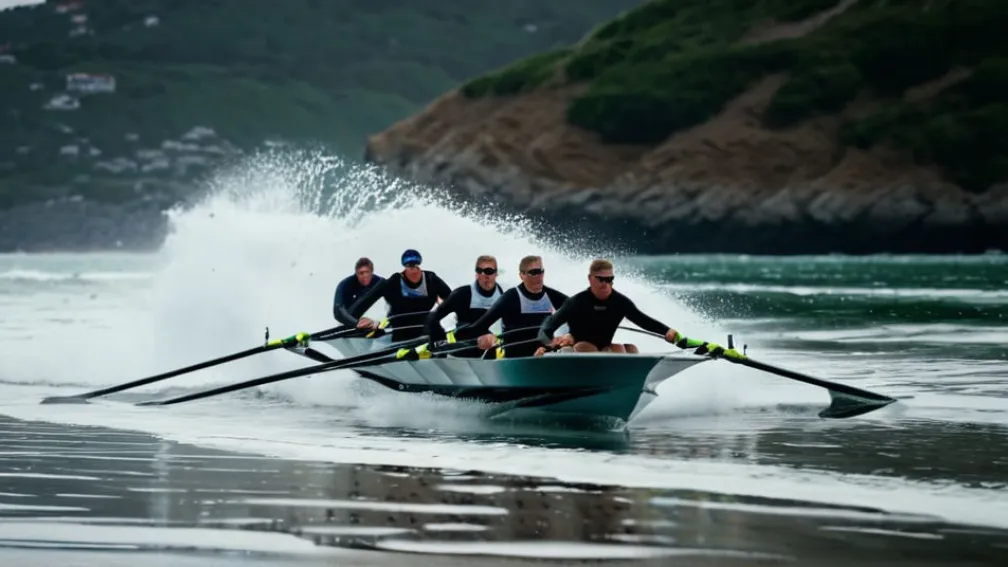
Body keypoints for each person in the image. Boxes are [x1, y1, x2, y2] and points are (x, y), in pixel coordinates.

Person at [537, 258, 679, 354]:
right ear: (590, 279)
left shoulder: (620, 302)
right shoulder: (576, 302)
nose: (605, 284)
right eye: (601, 279)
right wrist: (548, 342)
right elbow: (548, 326)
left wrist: (667, 331)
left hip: (604, 349)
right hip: (578, 349)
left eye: (609, 279)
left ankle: (624, 383)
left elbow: (643, 320)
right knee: (585, 347)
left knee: (630, 349)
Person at [453, 255, 569, 358]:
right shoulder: (511, 298)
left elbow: (577, 312)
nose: (539, 277)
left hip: (545, 353)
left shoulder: (551, 295)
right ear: (522, 275)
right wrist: (486, 337)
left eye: (541, 272)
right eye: (533, 273)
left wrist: (570, 335)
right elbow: (478, 327)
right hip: (516, 358)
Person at [340, 248, 452, 342]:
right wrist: (362, 322)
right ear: (405, 268)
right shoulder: (393, 282)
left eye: (416, 266)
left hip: (425, 328)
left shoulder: (431, 280)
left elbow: (453, 300)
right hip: (399, 330)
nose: (414, 271)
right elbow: (361, 305)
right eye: (410, 266)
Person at [423, 255, 504, 357]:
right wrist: (439, 341)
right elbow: (433, 317)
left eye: (488, 271)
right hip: (463, 343)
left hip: (487, 343)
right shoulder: (462, 294)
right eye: (479, 271)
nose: (484, 275)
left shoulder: (500, 294)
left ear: (496, 274)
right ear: (476, 274)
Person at [332, 257, 384, 324]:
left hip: (377, 319)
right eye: (361, 273)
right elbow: (338, 311)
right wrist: (357, 323)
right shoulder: (345, 284)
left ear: (372, 272)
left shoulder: (380, 282)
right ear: (356, 273)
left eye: (367, 272)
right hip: (352, 321)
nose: (365, 276)